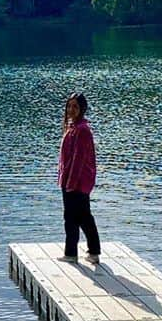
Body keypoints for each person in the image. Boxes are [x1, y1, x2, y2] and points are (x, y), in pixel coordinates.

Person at [58, 92, 100, 260]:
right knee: (82, 216)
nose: (71, 109)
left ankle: (72, 253)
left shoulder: (82, 130)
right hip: (72, 181)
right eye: (69, 106)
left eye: (75, 106)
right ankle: (93, 251)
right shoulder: (73, 127)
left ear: (82, 108)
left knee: (73, 217)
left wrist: (70, 183)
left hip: (77, 182)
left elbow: (79, 160)